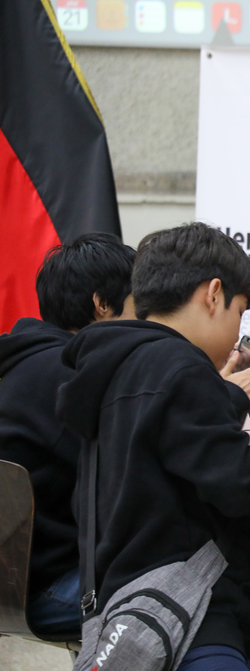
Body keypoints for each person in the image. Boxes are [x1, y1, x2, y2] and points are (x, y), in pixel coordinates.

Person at [56, 223, 250, 671]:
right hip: (195, 607)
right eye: (241, 311)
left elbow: (153, 453)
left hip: (127, 595)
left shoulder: (114, 362)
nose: (239, 331)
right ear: (214, 294)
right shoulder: (182, 367)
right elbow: (240, 484)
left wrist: (231, 440)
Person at [0, 233, 135, 635]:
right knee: (203, 587)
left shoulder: (22, 360)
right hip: (43, 588)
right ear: (102, 304)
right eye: (140, 303)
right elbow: (135, 467)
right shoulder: (73, 378)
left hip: (17, 579)